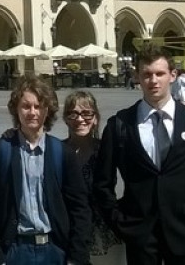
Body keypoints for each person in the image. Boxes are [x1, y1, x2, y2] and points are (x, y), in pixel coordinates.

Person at [93, 45, 185, 265]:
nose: (153, 81)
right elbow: (102, 184)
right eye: (147, 74)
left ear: (173, 75)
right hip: (141, 238)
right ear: (137, 77)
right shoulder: (120, 125)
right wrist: (120, 223)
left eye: (160, 74)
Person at [0, 75, 91, 265]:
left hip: (54, 249)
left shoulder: (62, 153)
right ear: (16, 109)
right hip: (15, 250)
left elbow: (80, 207)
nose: (32, 112)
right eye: (26, 106)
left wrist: (76, 257)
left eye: (38, 106)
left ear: (48, 110)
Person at [63, 91, 123, 265]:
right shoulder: (57, 151)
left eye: (87, 113)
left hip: (104, 231)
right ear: (66, 119)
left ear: (96, 118)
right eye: (73, 114)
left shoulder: (106, 149)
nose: (80, 119)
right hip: (69, 232)